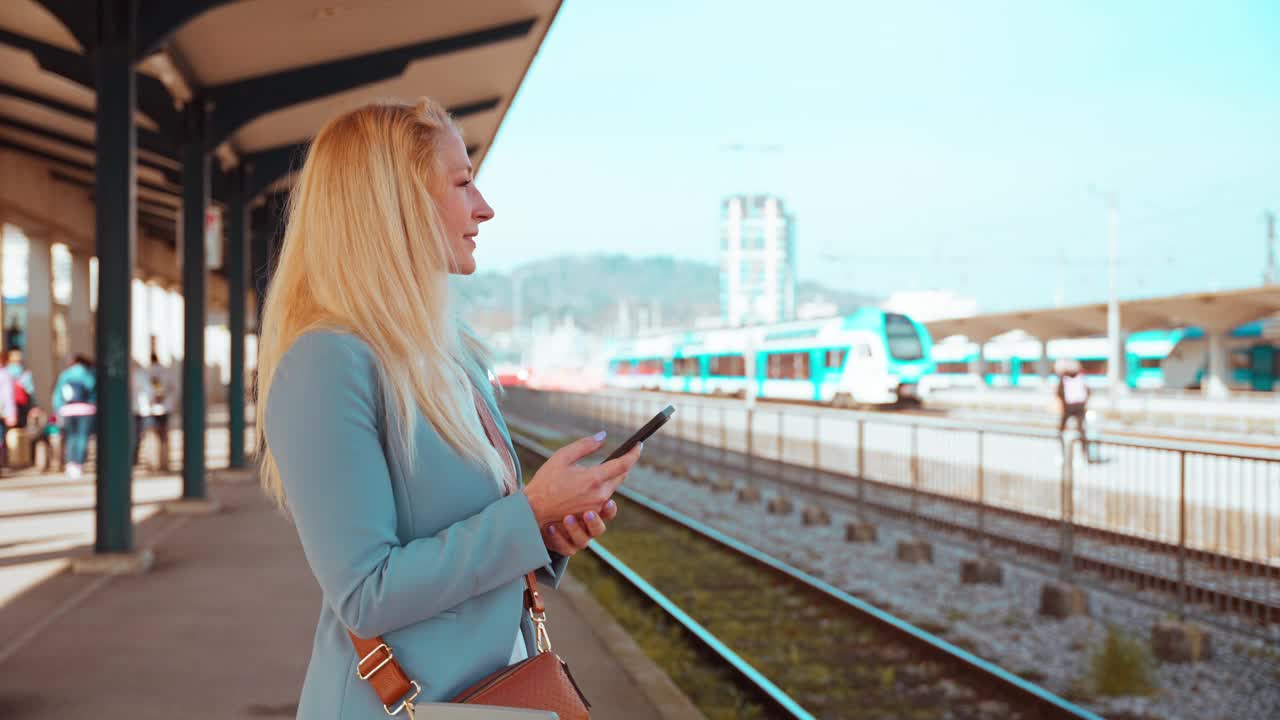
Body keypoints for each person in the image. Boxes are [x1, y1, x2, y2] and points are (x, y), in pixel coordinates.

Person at [255, 98, 643, 717]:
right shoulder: (327, 365)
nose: (484, 208)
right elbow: (365, 592)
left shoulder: (455, 360)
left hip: (488, 697)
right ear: (396, 204)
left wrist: (548, 533)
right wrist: (530, 511)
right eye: (463, 183)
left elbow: (469, 543)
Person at [51, 354, 95, 478]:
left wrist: (58, 410)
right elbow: (94, 391)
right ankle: (79, 464)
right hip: (86, 410)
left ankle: (71, 463)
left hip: (68, 410)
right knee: (82, 437)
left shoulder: (65, 375)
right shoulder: (89, 374)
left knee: (71, 437)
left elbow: (58, 394)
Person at [6, 348, 37, 428]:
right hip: (21, 405)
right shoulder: (24, 373)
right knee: (21, 428)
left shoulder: (4, 371)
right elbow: (30, 390)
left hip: (7, 407)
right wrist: (34, 406)